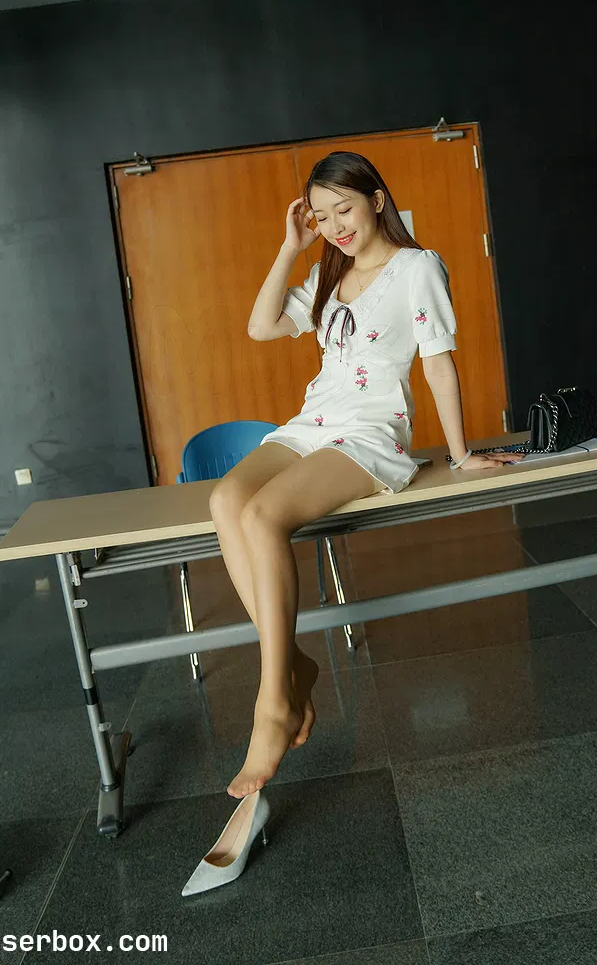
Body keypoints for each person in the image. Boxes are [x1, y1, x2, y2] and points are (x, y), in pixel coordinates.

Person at [209, 151, 521, 799]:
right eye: (321, 217)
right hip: (313, 422)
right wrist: (290, 248)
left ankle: (273, 703)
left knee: (263, 517)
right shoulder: (328, 271)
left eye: (343, 209)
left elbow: (437, 362)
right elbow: (261, 327)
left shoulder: (416, 267)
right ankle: (295, 663)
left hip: (372, 431)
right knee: (225, 499)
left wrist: (460, 453)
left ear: (377, 199)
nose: (334, 226)